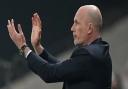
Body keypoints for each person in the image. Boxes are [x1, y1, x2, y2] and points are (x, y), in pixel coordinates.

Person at [7, 5, 112, 89]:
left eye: (76, 23)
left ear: (89, 28)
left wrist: (23, 47)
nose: (72, 28)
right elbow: (61, 68)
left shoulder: (88, 55)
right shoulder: (99, 51)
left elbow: (50, 73)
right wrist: (37, 46)